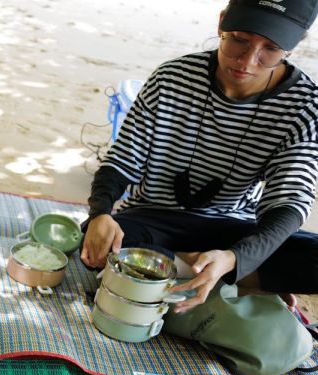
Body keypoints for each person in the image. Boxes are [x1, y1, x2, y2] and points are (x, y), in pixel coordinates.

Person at [81, 0, 318, 314]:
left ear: (294, 45)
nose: (247, 61)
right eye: (239, 39)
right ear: (221, 23)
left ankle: (188, 271)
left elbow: (290, 200)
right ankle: (231, 280)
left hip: (232, 228)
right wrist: (100, 212)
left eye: (270, 49)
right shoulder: (173, 78)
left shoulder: (305, 106)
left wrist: (235, 257)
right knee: (99, 238)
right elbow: (124, 158)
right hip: (153, 218)